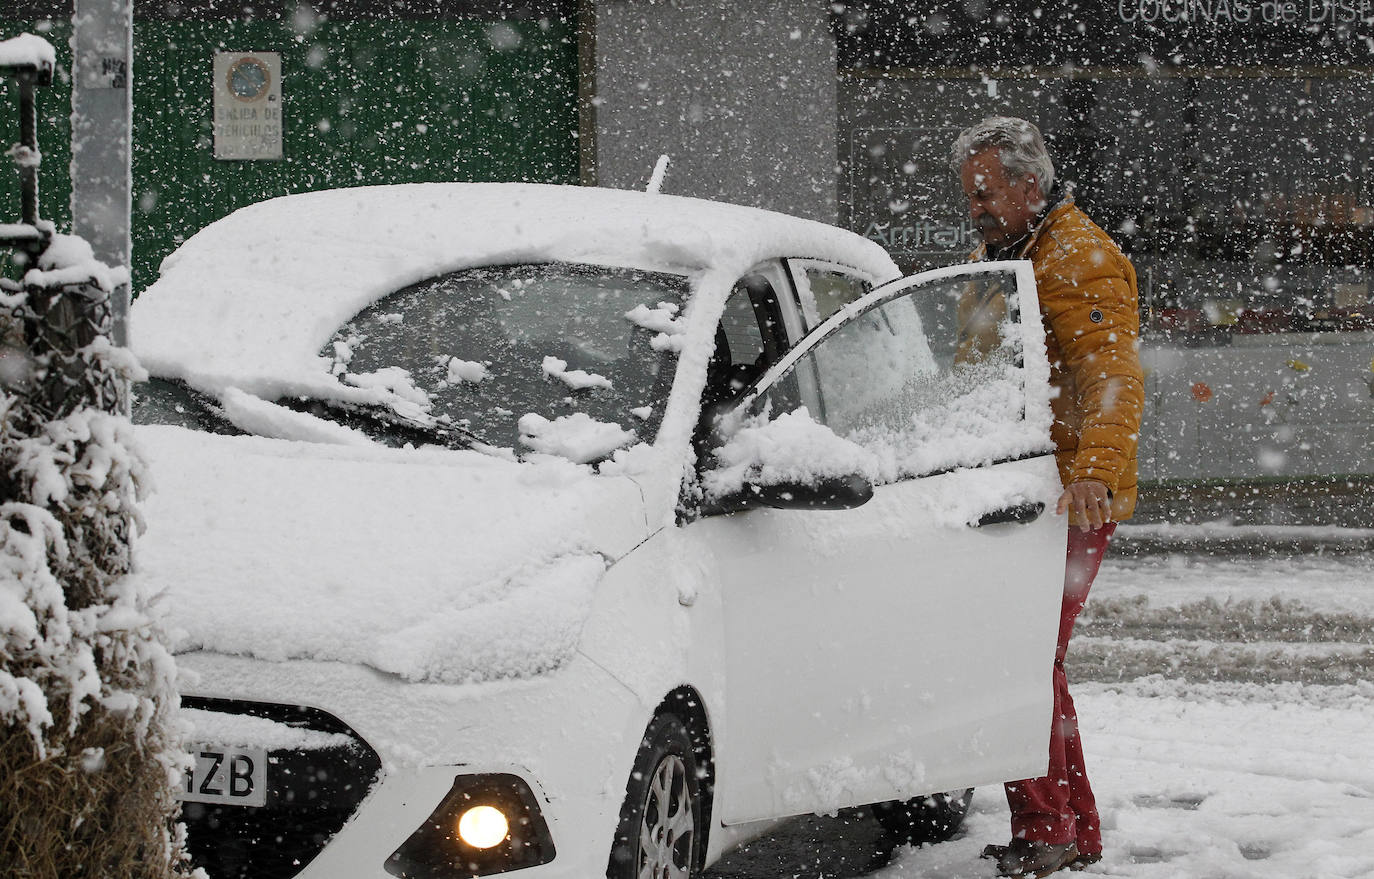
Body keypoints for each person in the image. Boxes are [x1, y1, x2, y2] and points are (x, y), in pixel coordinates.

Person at [949, 117, 1144, 878]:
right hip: (1018, 487)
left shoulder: (1078, 256)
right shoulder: (1003, 253)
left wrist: (1094, 468)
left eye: (988, 192)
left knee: (1016, 658)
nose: (976, 207)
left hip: (1066, 495)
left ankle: (1047, 826)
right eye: (970, 193)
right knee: (1035, 660)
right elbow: (975, 367)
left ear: (1032, 184)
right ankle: (1072, 827)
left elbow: (1113, 374)